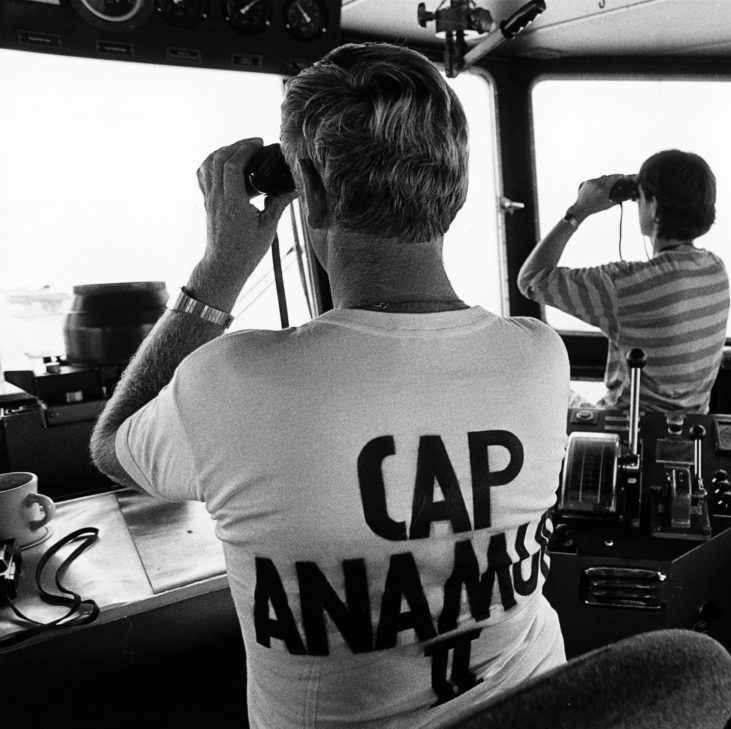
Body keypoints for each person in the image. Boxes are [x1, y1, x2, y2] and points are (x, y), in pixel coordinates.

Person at [90, 42, 570, 729]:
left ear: (309, 193)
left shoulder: (233, 380)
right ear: (457, 190)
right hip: (542, 709)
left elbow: (112, 444)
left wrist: (221, 266)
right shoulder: (540, 356)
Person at [518, 150, 730, 414]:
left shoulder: (624, 284)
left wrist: (579, 211)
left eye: (640, 198)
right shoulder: (715, 270)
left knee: (543, 386)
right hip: (689, 427)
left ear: (654, 207)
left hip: (626, 428)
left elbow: (531, 278)